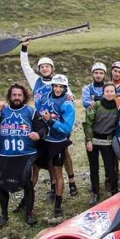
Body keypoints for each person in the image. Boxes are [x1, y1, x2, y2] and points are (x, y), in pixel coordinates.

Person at [20, 38, 78, 197]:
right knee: (47, 155)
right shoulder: (35, 81)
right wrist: (24, 48)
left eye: (47, 66)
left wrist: (71, 98)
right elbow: (25, 67)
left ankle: (71, 181)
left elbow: (70, 95)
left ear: (52, 68)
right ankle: (53, 185)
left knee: (63, 152)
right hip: (42, 124)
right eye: (42, 66)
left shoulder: (59, 82)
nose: (45, 68)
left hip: (58, 123)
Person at [0, 83, 47, 227]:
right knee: (3, 185)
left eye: (20, 95)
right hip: (5, 155)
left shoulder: (31, 111)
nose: (17, 97)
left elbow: (43, 128)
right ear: (10, 96)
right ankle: (4, 215)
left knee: (28, 184)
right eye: (14, 95)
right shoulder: (2, 111)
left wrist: (38, 134)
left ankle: (29, 214)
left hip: (25, 155)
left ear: (24, 96)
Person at [40, 74, 76, 218]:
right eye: (55, 86)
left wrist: (50, 122)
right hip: (45, 140)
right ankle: (50, 191)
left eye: (61, 87)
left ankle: (58, 206)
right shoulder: (45, 98)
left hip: (58, 142)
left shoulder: (67, 103)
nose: (58, 89)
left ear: (65, 88)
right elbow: (39, 114)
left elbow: (66, 129)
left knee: (58, 171)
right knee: (45, 168)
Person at [83, 82, 120, 205]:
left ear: (115, 92)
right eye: (107, 91)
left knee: (110, 168)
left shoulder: (118, 106)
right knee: (94, 168)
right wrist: (88, 140)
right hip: (94, 141)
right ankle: (95, 193)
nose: (109, 94)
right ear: (103, 93)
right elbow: (88, 123)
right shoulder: (95, 105)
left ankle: (114, 192)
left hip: (108, 141)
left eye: (112, 91)